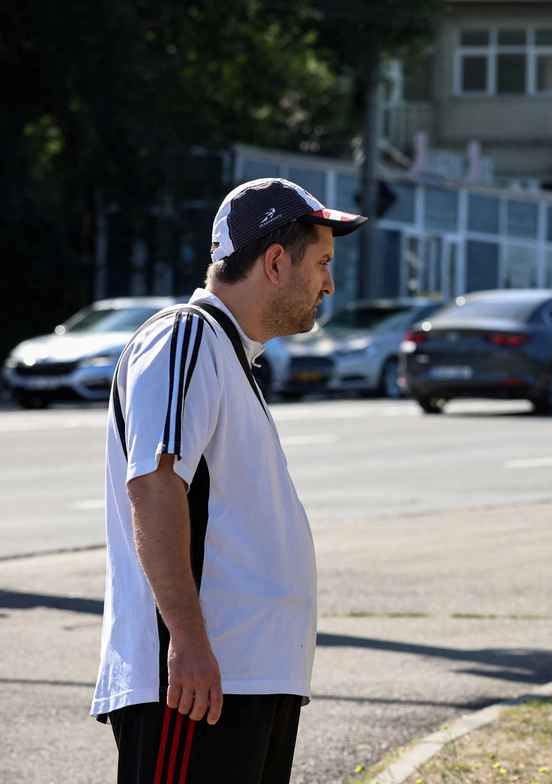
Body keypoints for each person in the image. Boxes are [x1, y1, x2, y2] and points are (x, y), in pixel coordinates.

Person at [91, 178, 366, 783]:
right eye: (322, 263)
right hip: (198, 686)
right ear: (276, 263)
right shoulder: (186, 336)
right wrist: (187, 639)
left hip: (244, 680)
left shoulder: (227, 354)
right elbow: (154, 485)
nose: (329, 284)